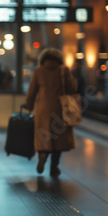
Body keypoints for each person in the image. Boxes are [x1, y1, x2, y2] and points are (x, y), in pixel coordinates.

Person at [25, 48, 77, 177]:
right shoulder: (63, 70)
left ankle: (43, 155)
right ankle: (54, 168)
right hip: (60, 109)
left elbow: (32, 91)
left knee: (44, 136)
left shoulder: (38, 71)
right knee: (58, 140)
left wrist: (29, 105)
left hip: (43, 109)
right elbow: (73, 89)